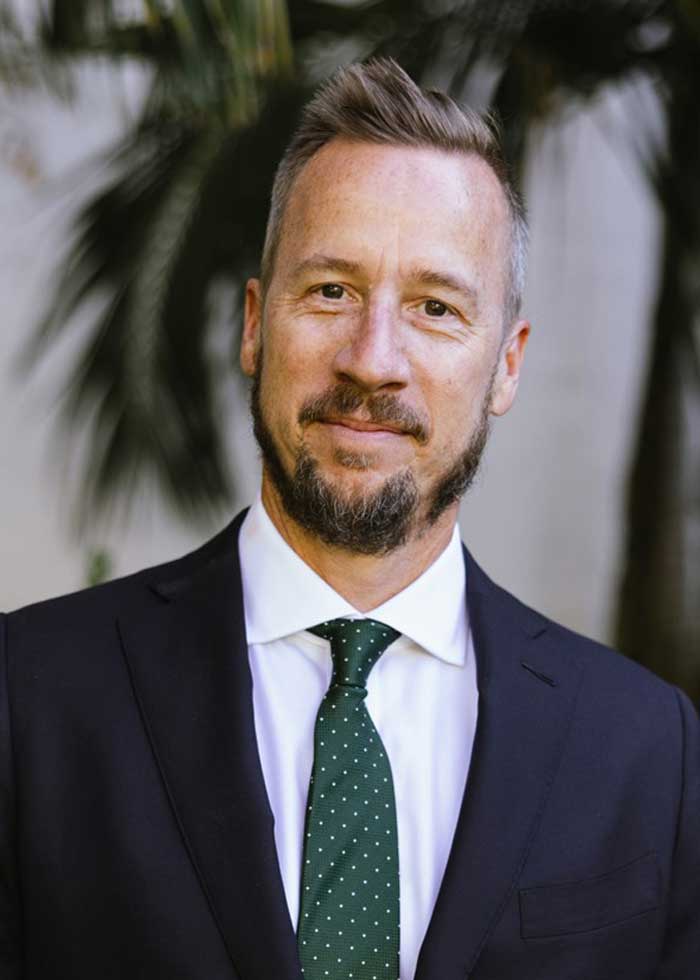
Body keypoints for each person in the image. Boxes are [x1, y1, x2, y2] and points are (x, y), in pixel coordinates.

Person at [0, 58, 698, 980]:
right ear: (255, 325)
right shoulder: (29, 698)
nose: (374, 362)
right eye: (331, 290)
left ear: (507, 366)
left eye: (435, 308)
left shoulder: (649, 751)